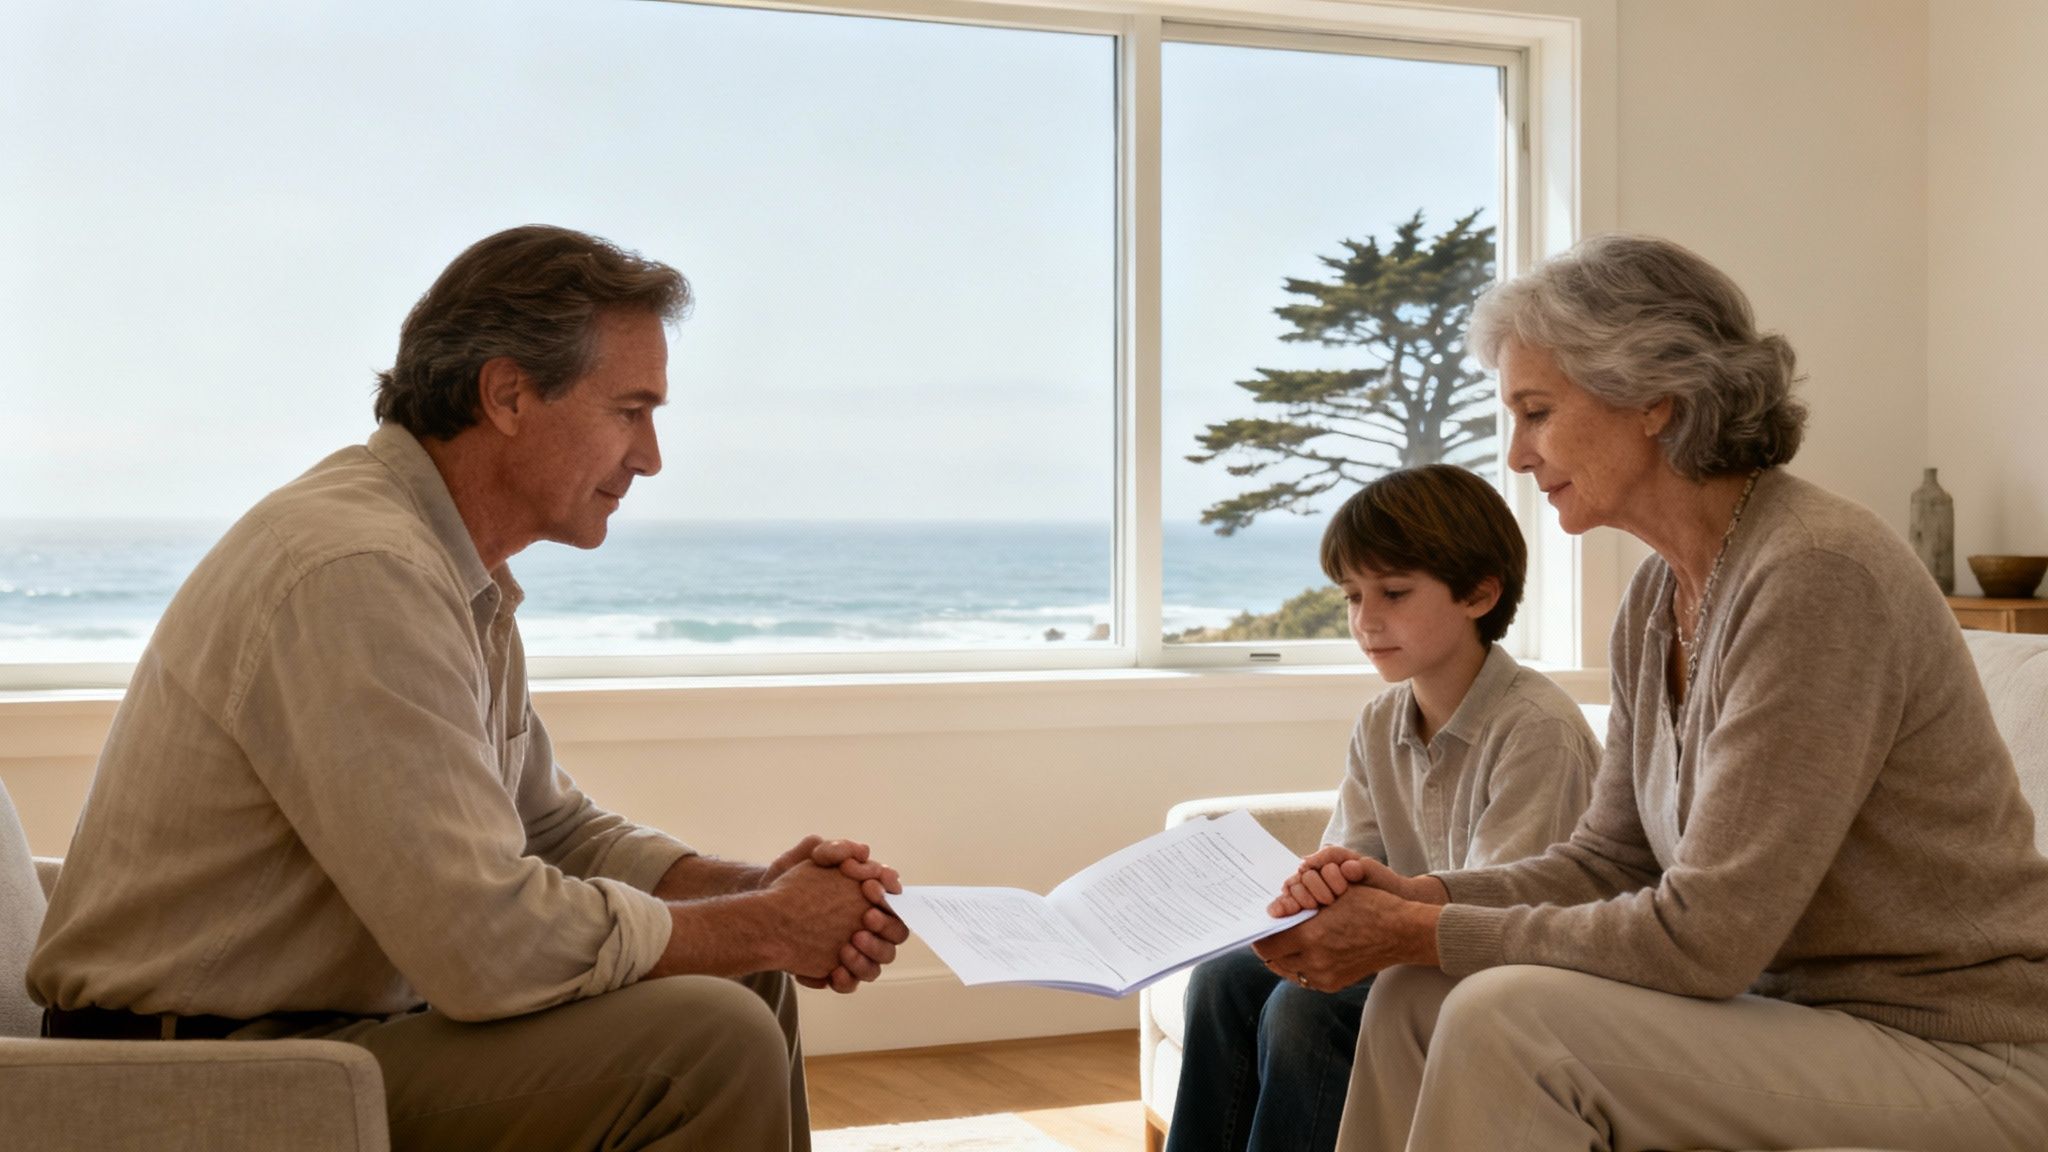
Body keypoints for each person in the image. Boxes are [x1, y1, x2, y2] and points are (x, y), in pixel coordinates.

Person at [28, 225, 909, 1152]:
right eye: (630, 411)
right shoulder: (359, 571)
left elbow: (551, 830)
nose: (651, 457)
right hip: (186, 1076)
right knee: (709, 1044)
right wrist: (764, 925)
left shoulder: (447, 568)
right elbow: (485, 945)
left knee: (742, 977)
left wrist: (756, 892)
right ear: (509, 394)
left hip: (305, 1036)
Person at [1258, 233, 2048, 1152]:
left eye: (1537, 412)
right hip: (1789, 1017)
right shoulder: (1655, 595)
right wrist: (1421, 896)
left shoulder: (1816, 574)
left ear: (1654, 399)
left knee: (1506, 1019)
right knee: (1412, 995)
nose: (1516, 456)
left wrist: (1418, 930)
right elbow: (1610, 860)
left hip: (1956, 1049)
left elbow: (1708, 938)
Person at [1167, 464, 1598, 1152]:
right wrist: (1313, 889)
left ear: (1479, 593)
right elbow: (1350, 865)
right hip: (1411, 949)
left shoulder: (1537, 729)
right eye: (1351, 596)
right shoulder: (1379, 721)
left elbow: (1505, 917)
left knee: (1306, 1010)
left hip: (1501, 969)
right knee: (1223, 980)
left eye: (1393, 593)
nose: (1366, 621)